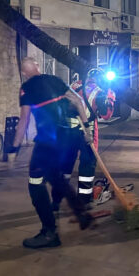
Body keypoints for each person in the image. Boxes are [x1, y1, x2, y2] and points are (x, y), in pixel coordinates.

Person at [9, 57, 93, 249]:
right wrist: (87, 128)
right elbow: (78, 101)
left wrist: (14, 148)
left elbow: (23, 121)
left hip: (48, 141)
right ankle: (73, 211)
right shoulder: (55, 80)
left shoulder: (27, 89)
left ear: (24, 73)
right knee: (58, 176)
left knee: (35, 183)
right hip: (69, 137)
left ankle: (49, 232)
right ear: (38, 66)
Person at [53, 68, 115, 207]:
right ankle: (84, 200)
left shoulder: (74, 85)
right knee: (87, 166)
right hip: (86, 132)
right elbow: (106, 115)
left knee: (65, 164)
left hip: (67, 131)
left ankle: (57, 198)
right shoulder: (99, 92)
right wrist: (110, 97)